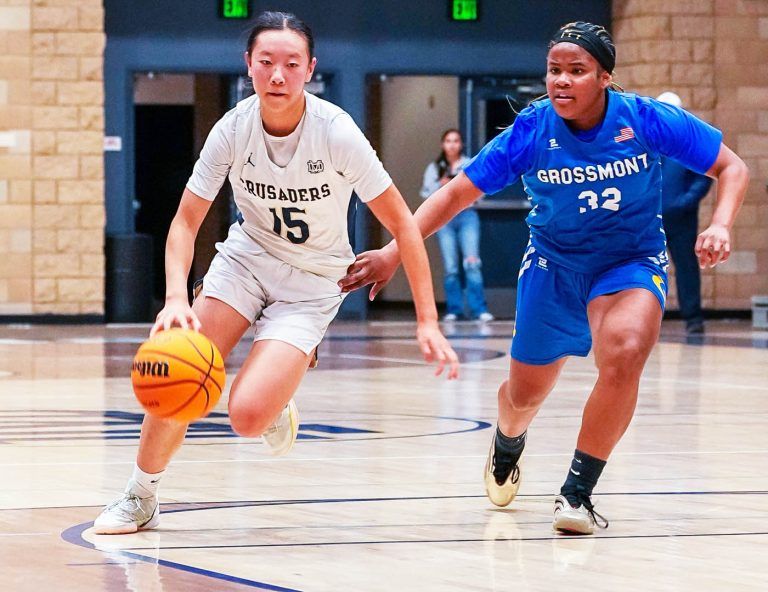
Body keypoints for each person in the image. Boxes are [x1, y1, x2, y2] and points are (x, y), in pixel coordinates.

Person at [340, 21, 748, 534]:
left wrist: (720, 224)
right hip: (554, 266)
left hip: (629, 262)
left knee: (625, 352)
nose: (561, 80)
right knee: (524, 395)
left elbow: (732, 168)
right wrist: (395, 251)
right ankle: (508, 440)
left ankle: (577, 493)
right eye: (554, 70)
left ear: (604, 77)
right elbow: (456, 194)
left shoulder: (646, 119)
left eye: (576, 71)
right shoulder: (532, 130)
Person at [93, 11, 459, 535]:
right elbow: (184, 223)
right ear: (249, 66)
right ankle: (140, 494)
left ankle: (281, 383)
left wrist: (427, 318)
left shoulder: (336, 133)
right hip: (245, 261)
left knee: (245, 417)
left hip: (313, 283)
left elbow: (402, 223)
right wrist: (176, 297)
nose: (278, 75)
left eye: (291, 63)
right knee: (180, 361)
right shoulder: (233, 128)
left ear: (310, 68)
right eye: (266, 62)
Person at [420, 129, 494, 322]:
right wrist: (442, 185)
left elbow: (481, 191)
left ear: (461, 144)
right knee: (451, 266)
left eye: (456, 141)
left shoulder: (469, 164)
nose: (452, 144)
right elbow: (426, 195)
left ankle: (479, 309)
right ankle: (454, 309)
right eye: (448, 141)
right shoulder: (435, 168)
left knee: (472, 263)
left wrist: (460, 187)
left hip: (467, 215)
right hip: (443, 219)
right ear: (442, 144)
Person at [657, 91, 713, 335]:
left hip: (682, 220)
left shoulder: (690, 142)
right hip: (650, 219)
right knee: (648, 269)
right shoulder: (649, 141)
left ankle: (693, 317)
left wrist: (685, 202)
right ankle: (650, 318)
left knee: (686, 266)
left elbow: (703, 178)